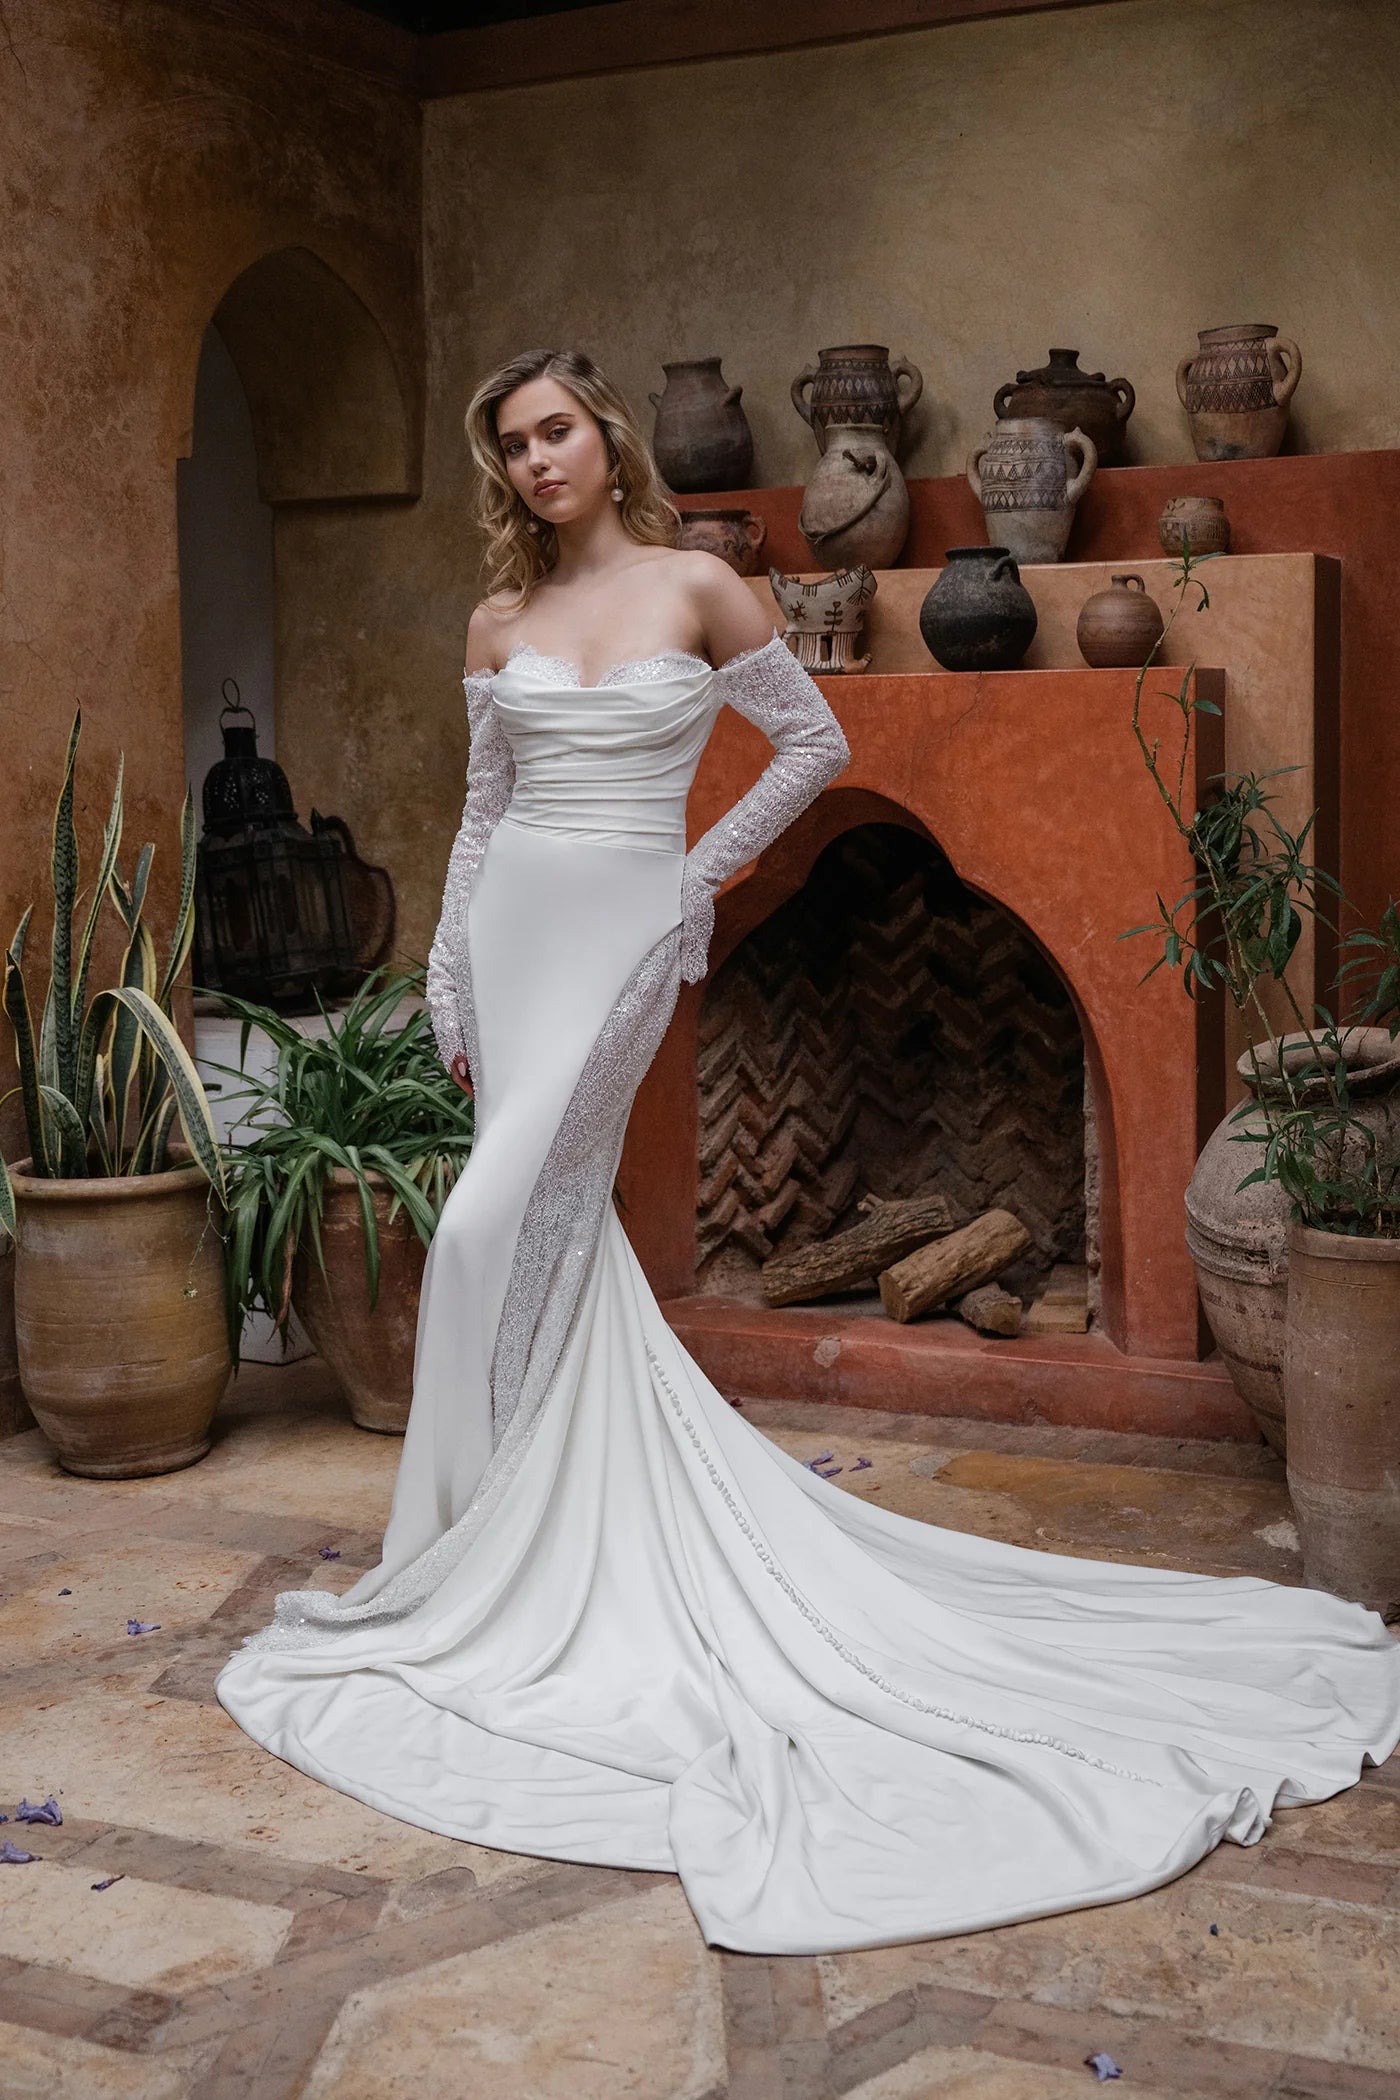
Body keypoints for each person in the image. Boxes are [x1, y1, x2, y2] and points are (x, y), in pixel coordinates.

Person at [216, 346, 1400, 1956]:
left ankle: (461, 1564)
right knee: (531, 1239)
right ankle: (499, 1549)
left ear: (604, 435)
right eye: (513, 445)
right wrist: (440, 971)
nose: (539, 459)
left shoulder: (700, 586)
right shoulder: (496, 623)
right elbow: (485, 809)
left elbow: (813, 748)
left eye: (556, 429)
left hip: (631, 928)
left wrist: (691, 881)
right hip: (511, 939)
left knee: (494, 1226)